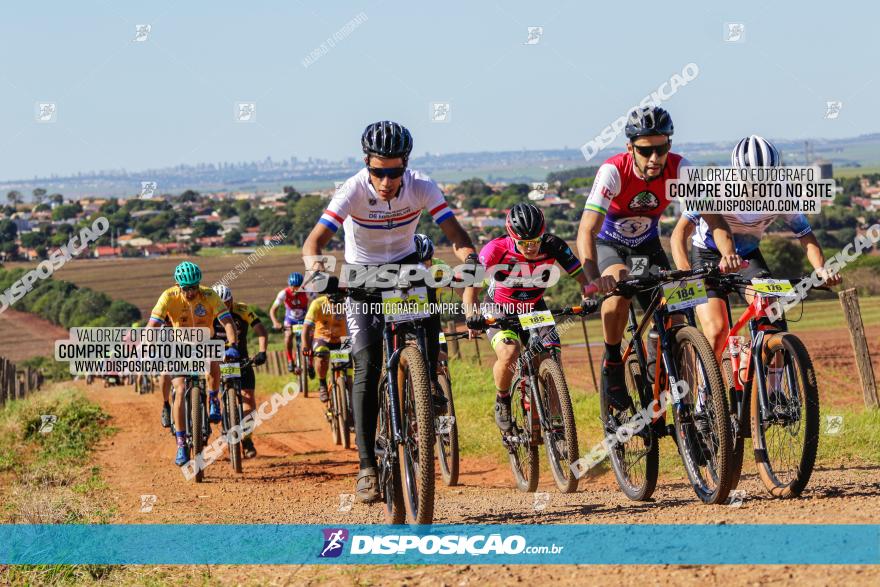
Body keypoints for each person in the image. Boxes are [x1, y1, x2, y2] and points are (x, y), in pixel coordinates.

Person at [302, 120, 479, 503]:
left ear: (406, 165)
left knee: (428, 306)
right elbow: (314, 241)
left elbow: (457, 235)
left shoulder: (422, 186)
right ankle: (367, 467)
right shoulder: (351, 190)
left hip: (405, 268)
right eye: (378, 171)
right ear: (366, 163)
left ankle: (427, 382)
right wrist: (318, 271)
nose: (386, 181)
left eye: (394, 171)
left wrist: (468, 259)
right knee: (366, 363)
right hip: (360, 276)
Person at [576, 106, 737, 412]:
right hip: (610, 244)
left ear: (669, 145)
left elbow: (715, 222)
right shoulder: (613, 171)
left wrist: (728, 253)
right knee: (621, 283)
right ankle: (612, 360)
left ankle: (666, 373)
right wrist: (591, 276)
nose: (654, 158)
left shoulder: (681, 170)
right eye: (645, 150)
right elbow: (587, 229)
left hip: (647, 246)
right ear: (629, 148)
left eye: (661, 148)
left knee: (675, 310)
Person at [670, 134, 842, 359]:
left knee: (772, 319)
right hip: (707, 254)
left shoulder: (782, 191)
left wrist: (821, 269)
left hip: (748, 256)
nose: (761, 185)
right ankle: (705, 390)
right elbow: (679, 234)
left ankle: (770, 388)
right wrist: (687, 274)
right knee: (717, 331)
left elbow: (805, 235)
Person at [470, 203, 590, 431]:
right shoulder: (495, 249)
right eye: (524, 243)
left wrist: (588, 294)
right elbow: (471, 285)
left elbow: (580, 276)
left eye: (535, 241)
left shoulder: (554, 245)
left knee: (551, 358)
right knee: (509, 353)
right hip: (499, 308)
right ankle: (503, 399)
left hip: (534, 307)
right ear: (512, 236)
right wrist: (471, 312)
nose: (531, 248)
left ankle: (556, 422)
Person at [147, 261, 240, 467]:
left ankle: (214, 398)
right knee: (179, 390)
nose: (190, 292)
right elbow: (152, 325)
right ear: (178, 285)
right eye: (186, 288)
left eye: (194, 287)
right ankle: (181, 443)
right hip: (179, 346)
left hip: (205, 342)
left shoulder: (209, 295)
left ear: (199, 284)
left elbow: (227, 322)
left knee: (215, 355)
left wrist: (232, 344)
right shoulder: (168, 296)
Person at [211, 284, 269, 459]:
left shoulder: (242, 309)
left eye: (227, 303)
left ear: (232, 300)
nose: (224, 307)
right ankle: (220, 420)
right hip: (217, 358)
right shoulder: (208, 311)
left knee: (248, 397)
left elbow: (261, 331)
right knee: (215, 391)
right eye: (220, 304)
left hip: (240, 357)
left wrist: (262, 352)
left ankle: (248, 438)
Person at [301, 276, 348, 403]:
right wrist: (305, 346)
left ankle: (348, 391)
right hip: (322, 338)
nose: (335, 305)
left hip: (343, 339)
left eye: (339, 301)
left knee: (348, 371)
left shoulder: (348, 303)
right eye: (333, 302)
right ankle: (322, 384)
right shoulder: (317, 304)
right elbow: (306, 328)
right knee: (321, 356)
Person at [269, 272, 310, 373]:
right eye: (293, 286)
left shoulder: (308, 292)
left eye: (297, 286)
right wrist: (276, 322)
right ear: (289, 285)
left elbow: (316, 304)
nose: (295, 289)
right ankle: (290, 360)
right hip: (290, 320)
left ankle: (310, 363)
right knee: (288, 336)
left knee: (310, 337)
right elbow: (273, 310)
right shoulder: (283, 293)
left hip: (304, 319)